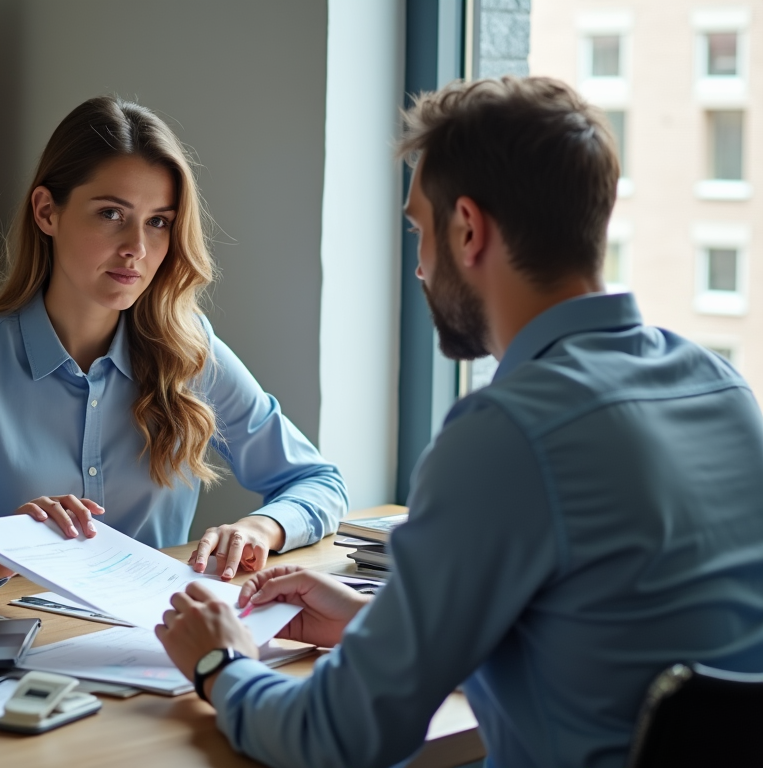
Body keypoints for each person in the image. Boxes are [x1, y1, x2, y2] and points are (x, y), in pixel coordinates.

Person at [155, 77, 763, 768]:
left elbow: (334, 739)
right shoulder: (720, 388)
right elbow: (605, 645)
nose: (418, 266)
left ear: (468, 229)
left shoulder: (508, 434)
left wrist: (219, 664)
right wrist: (373, 625)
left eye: (419, 229)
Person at [0, 96, 348, 599]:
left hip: (157, 646)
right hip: (12, 647)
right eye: (110, 214)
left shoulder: (189, 351)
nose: (136, 249)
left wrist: (262, 528)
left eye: (158, 221)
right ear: (46, 212)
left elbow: (319, 482)